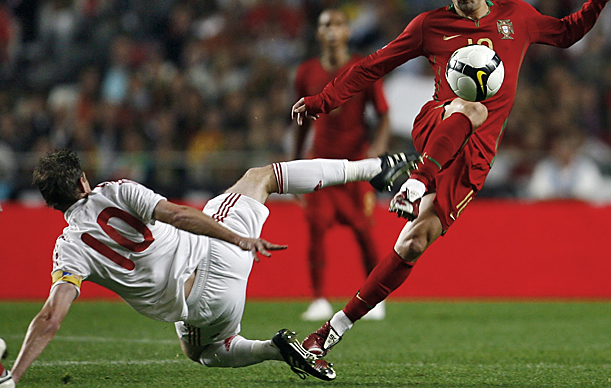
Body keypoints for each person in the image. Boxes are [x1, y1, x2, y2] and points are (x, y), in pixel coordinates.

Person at [291, 0, 611, 357]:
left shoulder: (517, 17)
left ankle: (329, 332)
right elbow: (374, 64)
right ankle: (413, 182)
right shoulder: (429, 25)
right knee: (470, 105)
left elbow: (567, 32)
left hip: (475, 158)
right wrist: (325, 100)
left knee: (412, 243)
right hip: (438, 124)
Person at [5, 148, 416, 385]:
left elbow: (50, 318)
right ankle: (374, 169)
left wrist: (15, 376)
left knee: (202, 353)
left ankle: (273, 349)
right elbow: (180, 215)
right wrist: (239, 238)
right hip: (218, 249)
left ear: (52, 204)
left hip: (206, 305)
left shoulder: (67, 251)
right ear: (81, 182)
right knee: (261, 176)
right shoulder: (115, 190)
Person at [294, 9, 391, 321]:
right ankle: (319, 299)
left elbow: (383, 114)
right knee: (316, 228)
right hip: (319, 165)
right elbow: (301, 122)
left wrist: (377, 151)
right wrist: (296, 162)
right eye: (325, 25)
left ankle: (374, 299)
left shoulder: (363, 68)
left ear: (348, 32)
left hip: (355, 165)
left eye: (338, 24)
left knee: (363, 230)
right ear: (319, 34)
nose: (332, 30)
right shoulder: (306, 72)